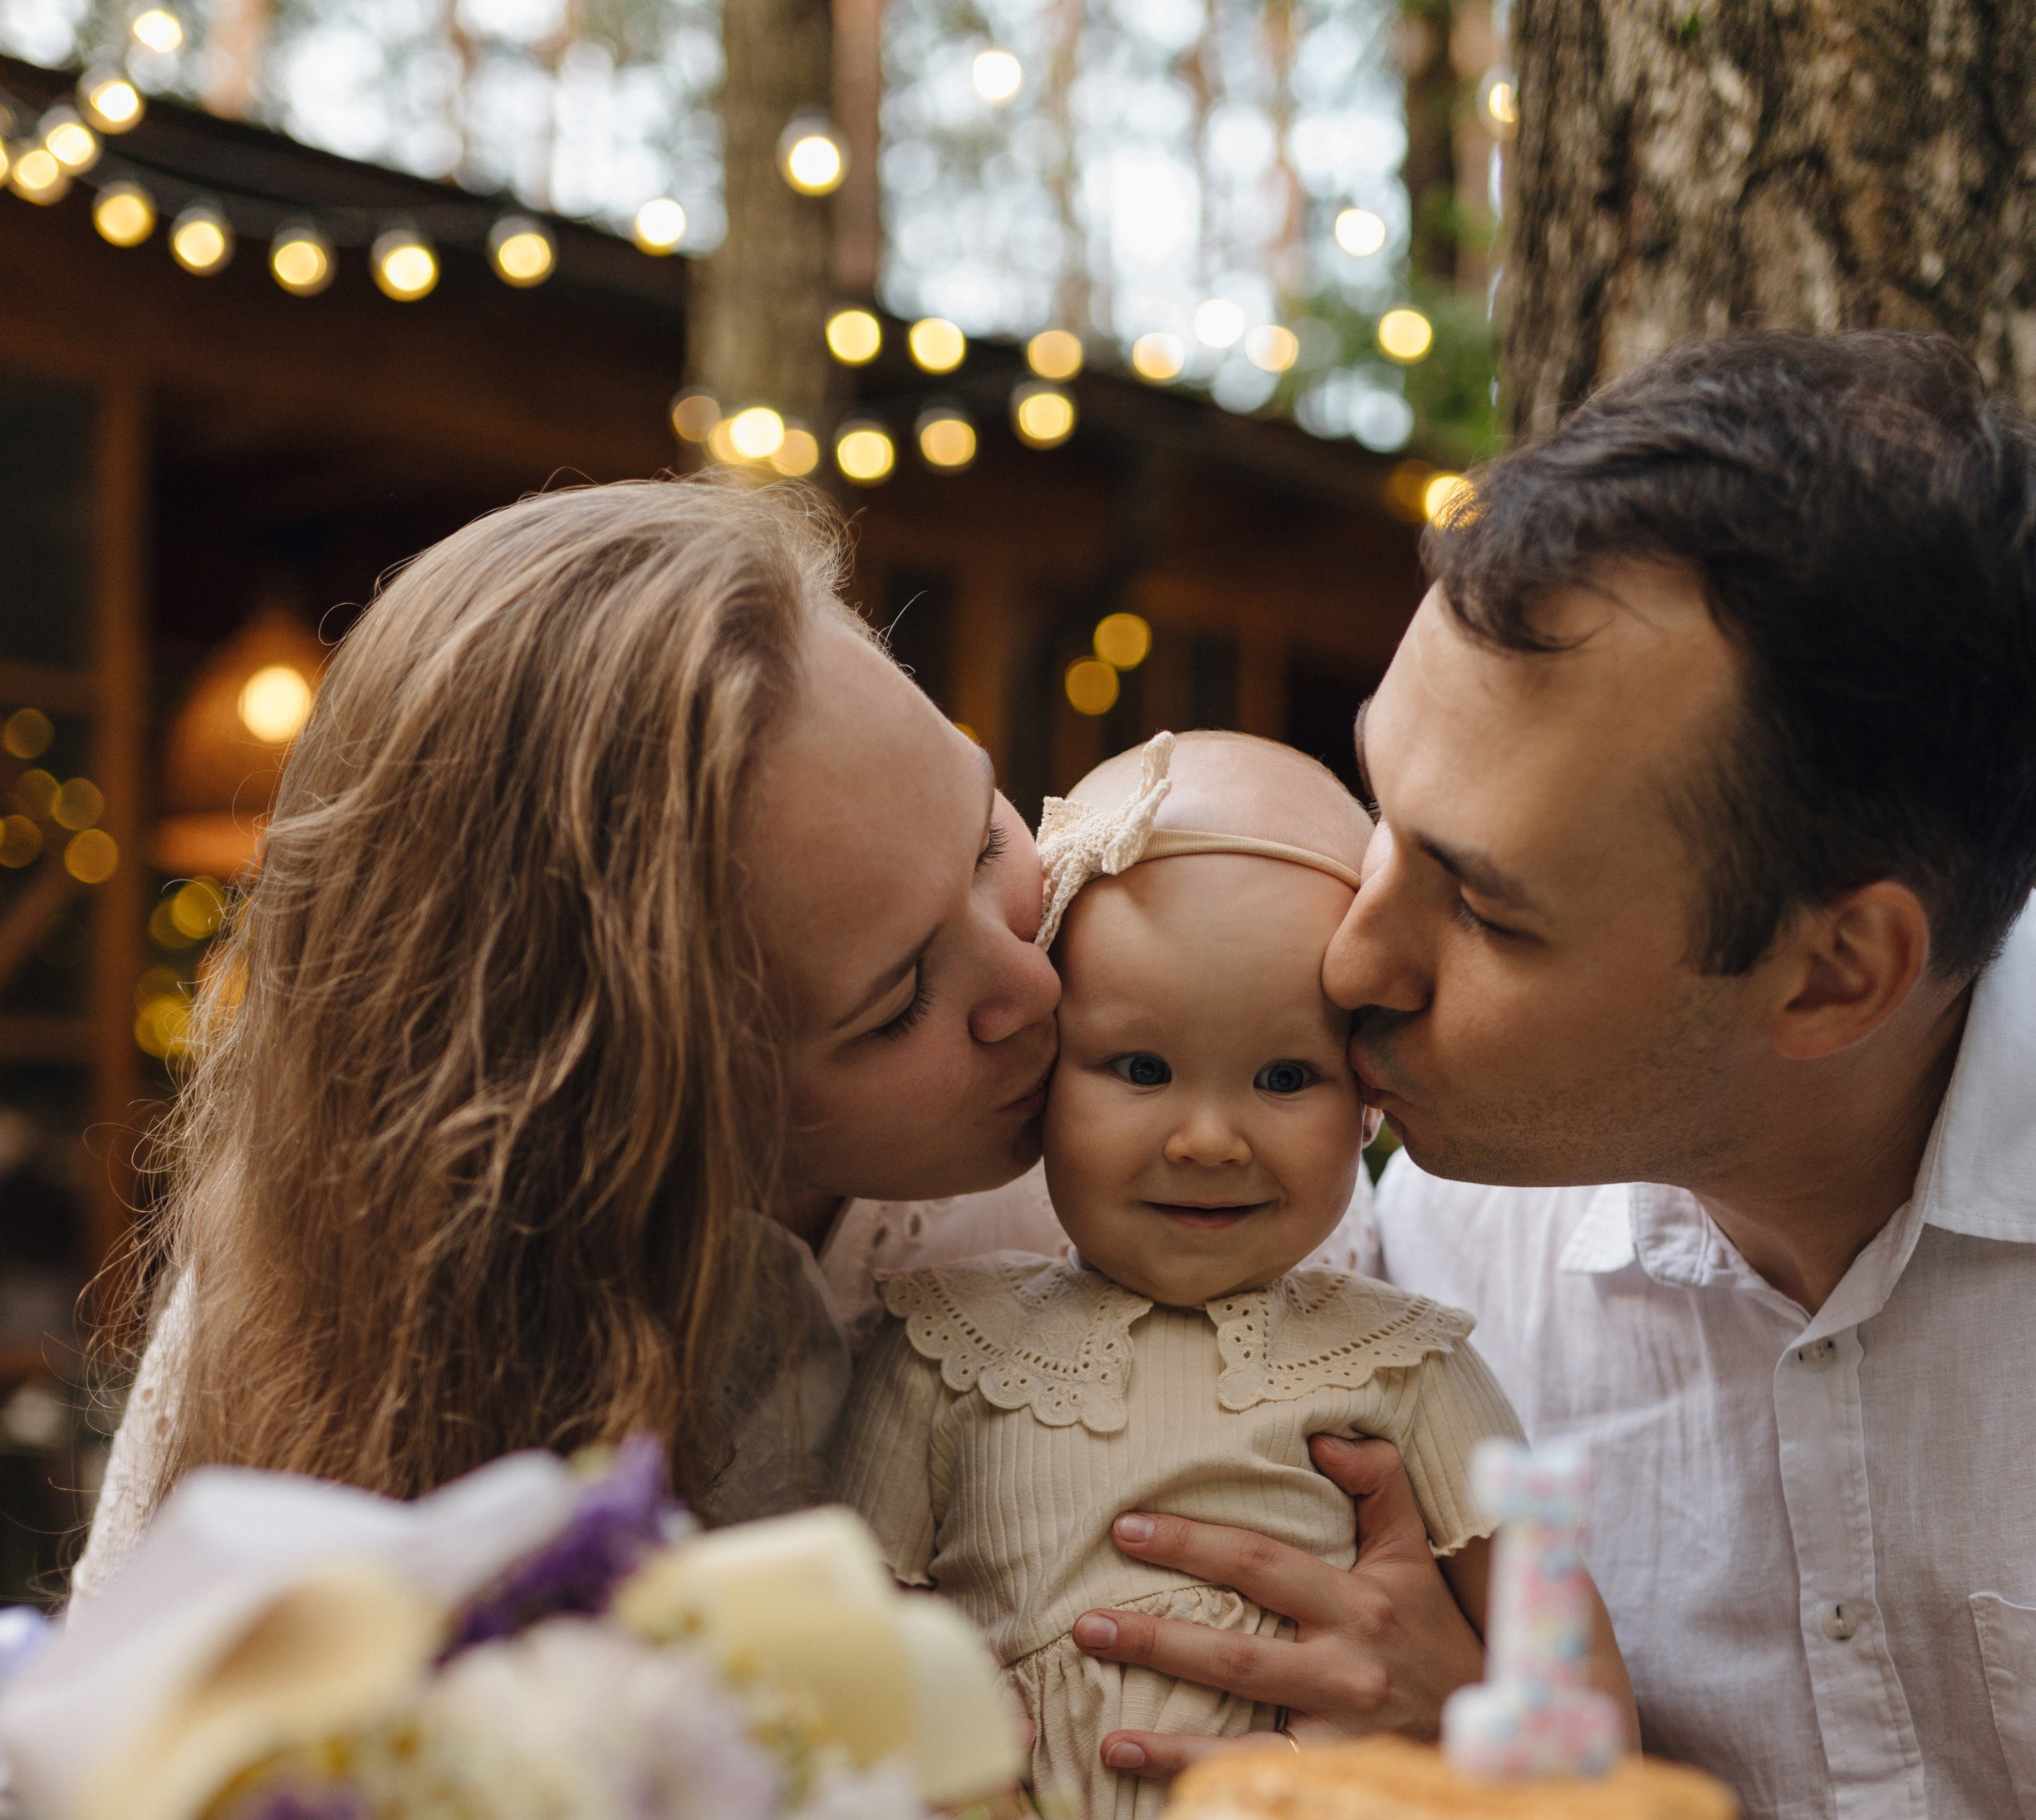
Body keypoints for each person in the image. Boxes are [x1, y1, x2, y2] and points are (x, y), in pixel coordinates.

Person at [76, 477, 1430, 1734]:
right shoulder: (354, 1309)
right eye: (896, 1003)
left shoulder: (1185, 1157)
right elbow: (133, 1776)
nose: (1034, 986)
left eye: (982, 837)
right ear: (654, 1111)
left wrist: (1447, 1687)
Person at [1313, 329, 2036, 1820]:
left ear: (1835, 975)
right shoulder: (1422, 1278)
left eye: (1485, 910)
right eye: (1379, 814)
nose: (1351, 960)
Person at [835, 731, 1623, 1820]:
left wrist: (1495, 1783)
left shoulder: (1403, 1362)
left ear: (1368, 1101)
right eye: (1142, 1067)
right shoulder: (945, 1343)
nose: (1209, 1140)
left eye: (1286, 1076)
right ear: (1044, 1070)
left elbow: (1571, 1691)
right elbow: (847, 1628)